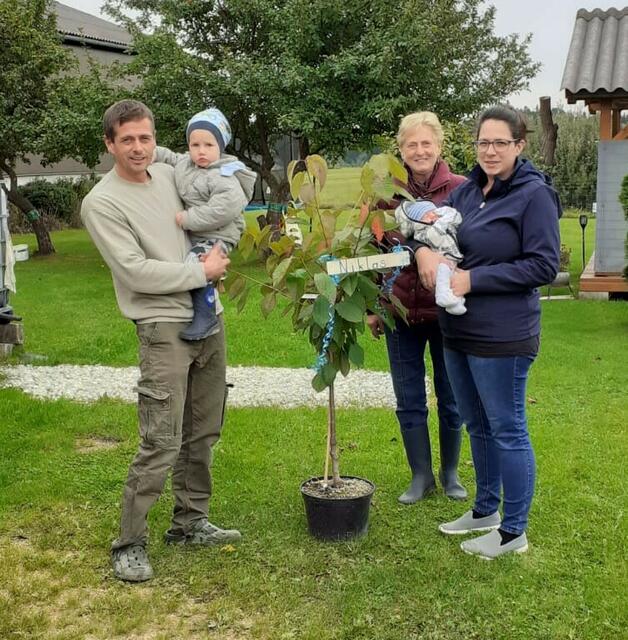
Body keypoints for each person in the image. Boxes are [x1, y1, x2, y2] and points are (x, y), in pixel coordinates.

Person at [81, 99, 242, 583]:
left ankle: (190, 523)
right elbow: (133, 270)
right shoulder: (102, 202)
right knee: (161, 440)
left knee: (203, 428)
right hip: (162, 326)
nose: (138, 147)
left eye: (146, 137)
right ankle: (129, 542)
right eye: (127, 139)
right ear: (109, 143)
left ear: (156, 139)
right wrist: (200, 269)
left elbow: (216, 176)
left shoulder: (170, 176)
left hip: (207, 316)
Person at [417, 105, 561, 559]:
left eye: (501, 143)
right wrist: (424, 251)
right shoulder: (468, 191)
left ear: (520, 146)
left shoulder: (533, 196)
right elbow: (434, 229)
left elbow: (543, 265)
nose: (491, 151)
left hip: (504, 335)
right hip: (459, 330)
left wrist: (472, 280)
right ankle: (485, 511)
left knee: (507, 427)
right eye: (484, 143)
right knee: (475, 422)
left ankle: (513, 530)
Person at [367, 111, 468, 504]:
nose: (420, 150)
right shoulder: (387, 196)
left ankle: (451, 473)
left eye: (427, 143)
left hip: (448, 315)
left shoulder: (462, 189)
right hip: (401, 313)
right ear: (402, 150)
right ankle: (421, 475)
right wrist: (375, 307)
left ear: (439, 147)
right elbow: (375, 254)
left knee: (452, 396)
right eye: (412, 144)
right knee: (408, 398)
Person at [153, 107, 257, 341]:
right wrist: (150, 152)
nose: (201, 151)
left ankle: (206, 315)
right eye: (194, 145)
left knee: (197, 265)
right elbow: (169, 157)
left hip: (219, 236)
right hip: (201, 234)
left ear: (221, 146)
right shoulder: (187, 164)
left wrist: (189, 219)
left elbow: (224, 209)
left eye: (208, 145)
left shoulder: (224, 175)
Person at [395, 199, 466, 315]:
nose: (433, 216)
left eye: (434, 212)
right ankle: (445, 296)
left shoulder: (457, 189)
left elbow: (457, 218)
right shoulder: (427, 231)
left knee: (456, 279)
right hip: (442, 262)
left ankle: (456, 301)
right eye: (427, 215)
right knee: (444, 276)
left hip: (454, 260)